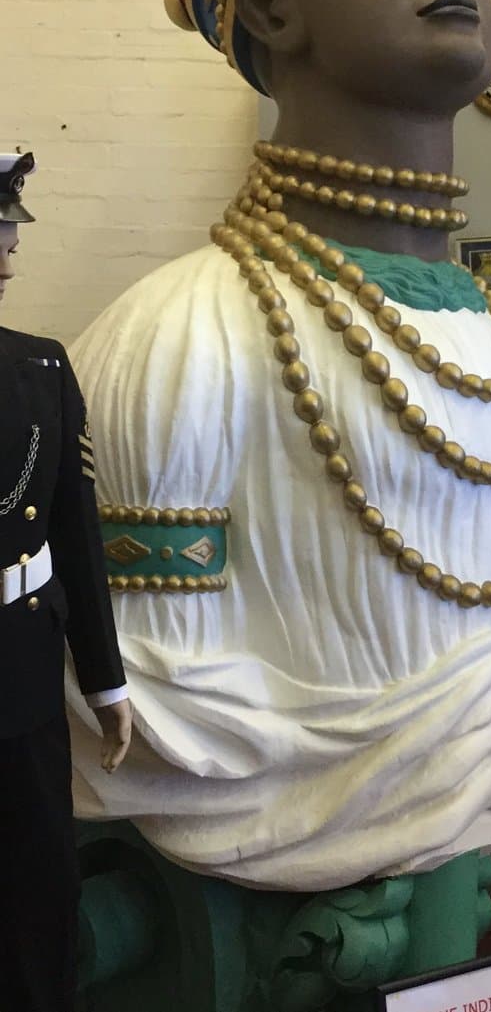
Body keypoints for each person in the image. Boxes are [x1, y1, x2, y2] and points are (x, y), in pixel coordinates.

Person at [67, 0, 491, 900]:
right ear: (269, 5)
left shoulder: (483, 330)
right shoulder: (180, 341)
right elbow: (141, 711)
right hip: (252, 910)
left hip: (456, 878)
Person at [0, 152, 131, 1012]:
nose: (11, 252)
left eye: (11, 231)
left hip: (21, 681)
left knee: (39, 890)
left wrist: (106, 676)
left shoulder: (44, 370)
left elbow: (77, 536)